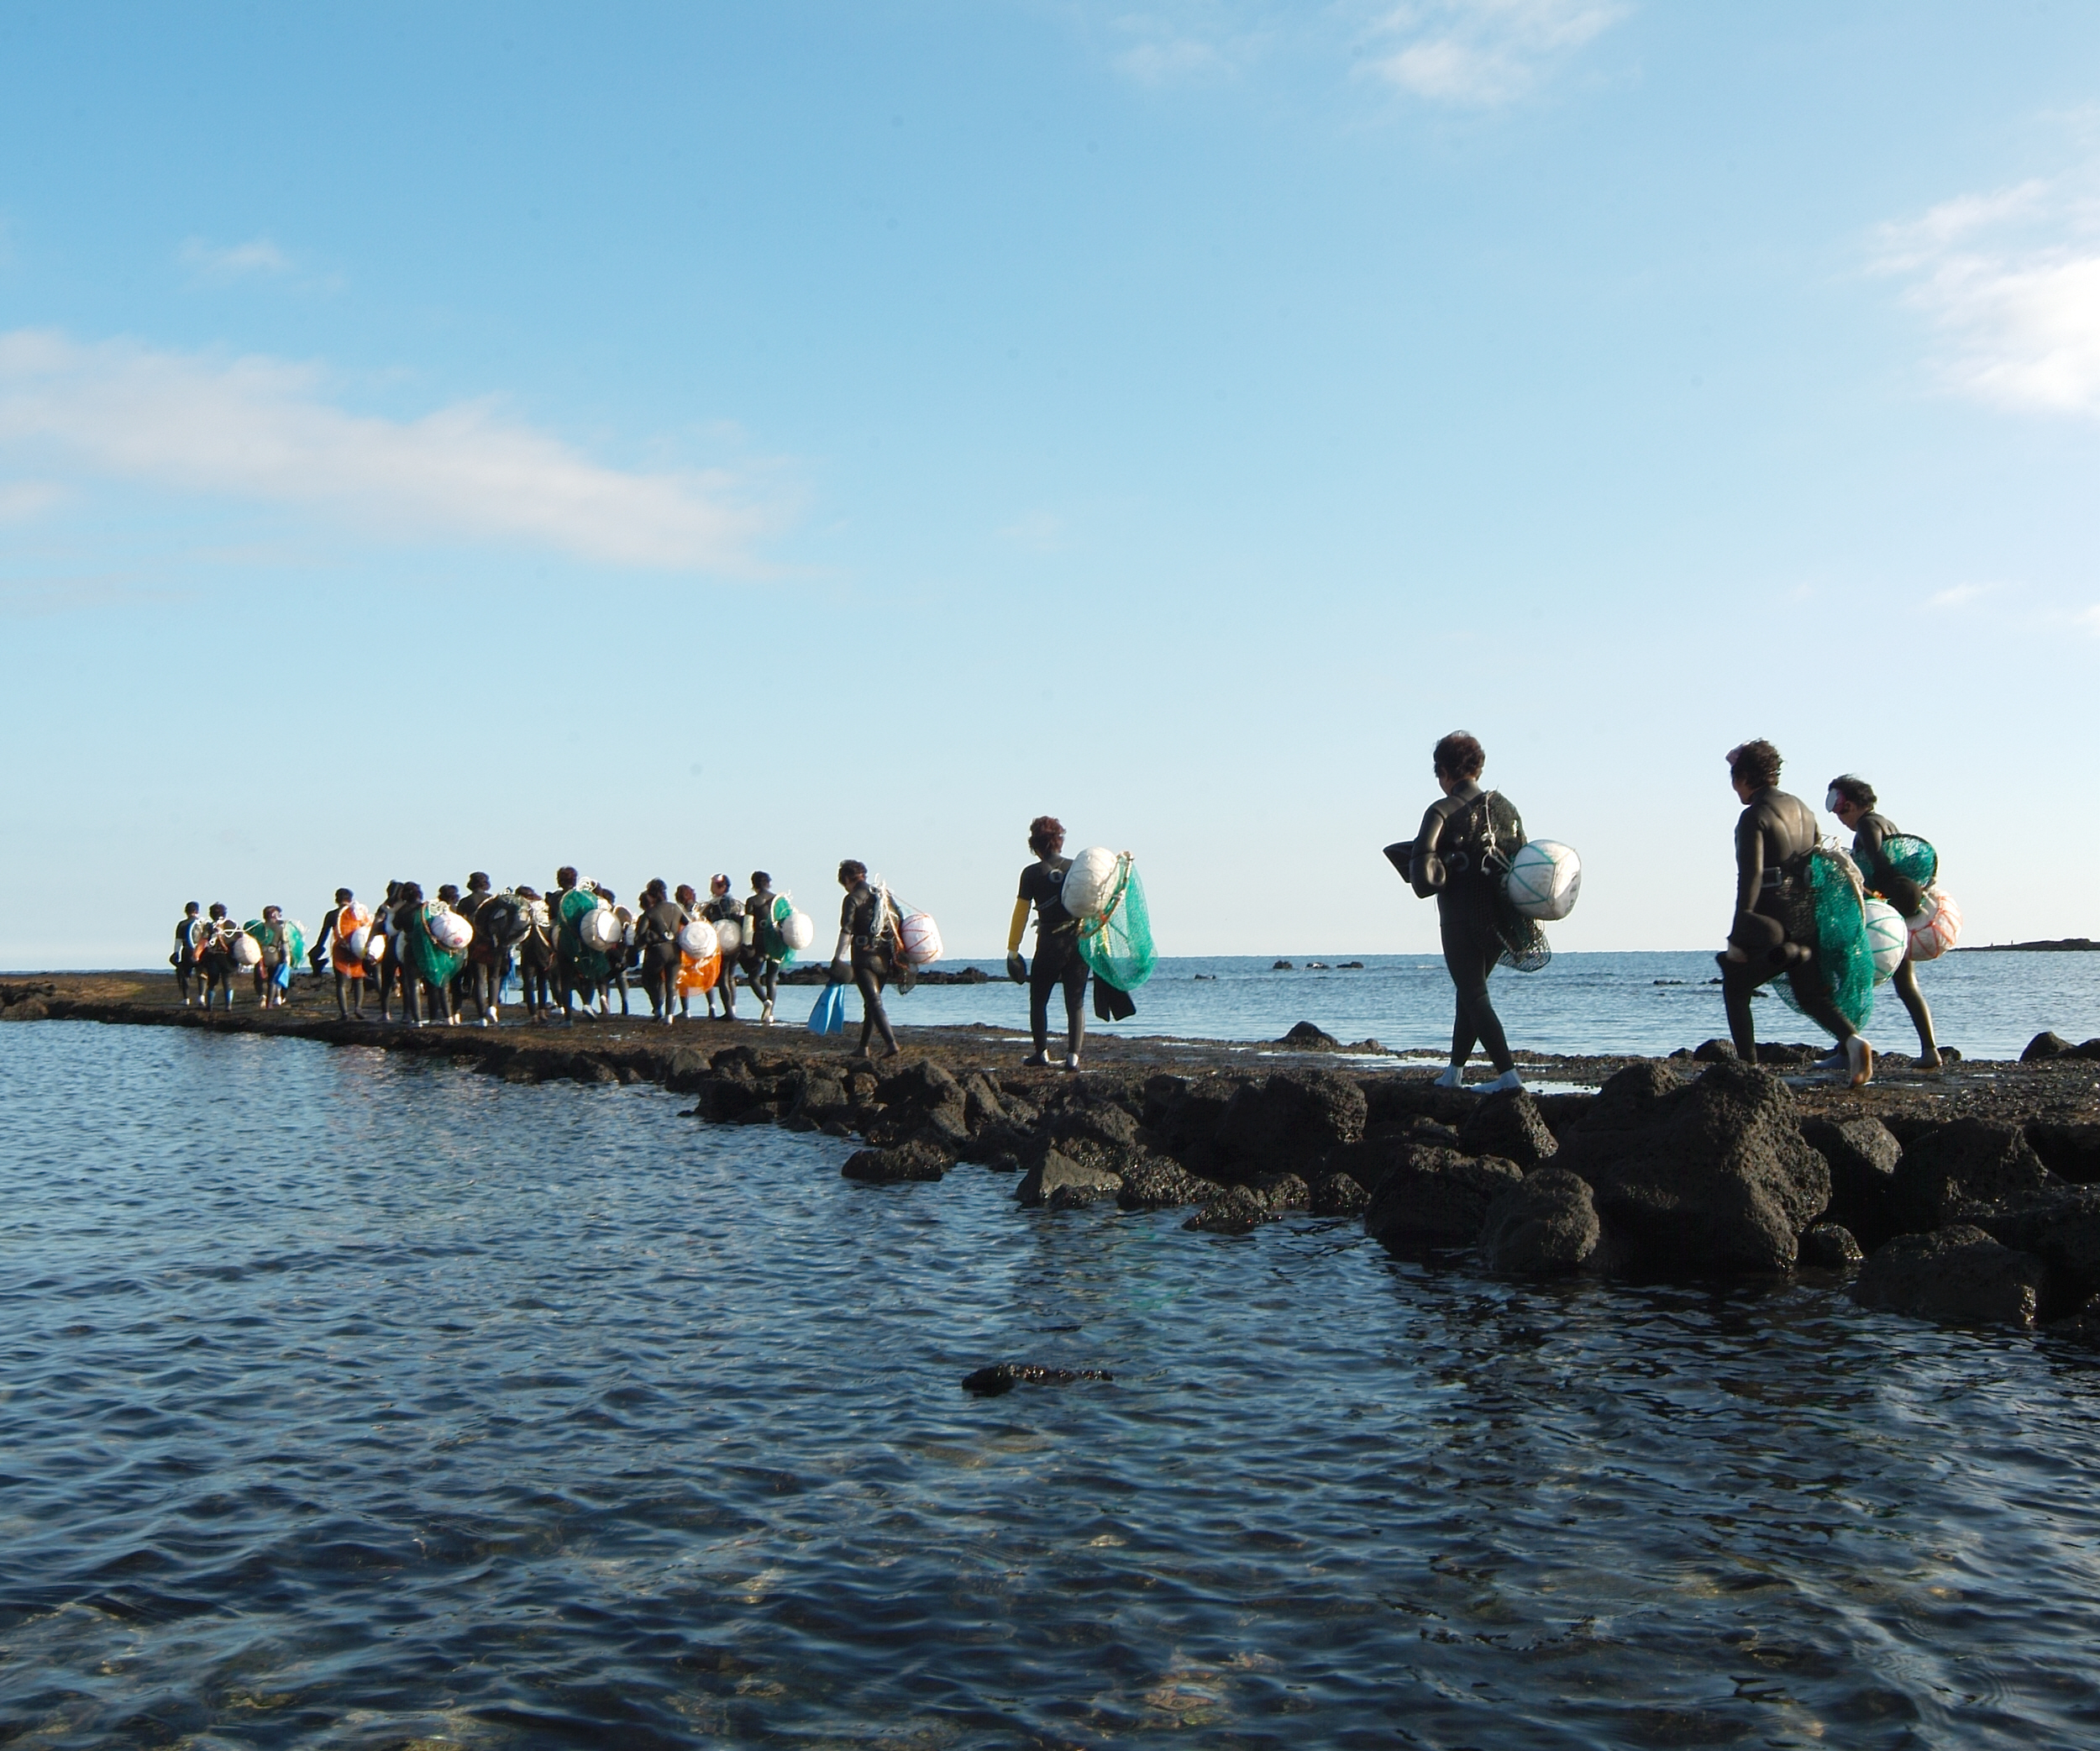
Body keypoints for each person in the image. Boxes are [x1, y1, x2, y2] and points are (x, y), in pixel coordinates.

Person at [1719, 740, 1873, 1086]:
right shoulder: (1803, 809)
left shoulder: (1754, 816)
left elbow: (1751, 878)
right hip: (1808, 913)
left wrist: (1738, 932)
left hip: (1772, 915)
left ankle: (1748, 1071)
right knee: (1810, 994)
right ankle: (1853, 1041)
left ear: (1743, 778)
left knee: (1734, 983)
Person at [1403, 733, 1527, 1092]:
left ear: (1443, 771)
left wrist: (1438, 866)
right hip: (1500, 919)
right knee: (1470, 993)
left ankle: (1509, 1078)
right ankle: (1455, 1072)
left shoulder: (1441, 811)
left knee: (1474, 995)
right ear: (1479, 767)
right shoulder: (1504, 810)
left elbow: (1423, 882)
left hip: (1459, 918)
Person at [1829, 774, 1940, 1069]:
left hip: (1884, 913)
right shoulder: (1886, 822)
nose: (1839, 817)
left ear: (1850, 804)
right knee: (1905, 983)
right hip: (1901, 911)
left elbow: (1880, 865)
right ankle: (1930, 1050)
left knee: (1851, 978)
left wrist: (1859, 885)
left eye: (1838, 808)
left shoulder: (1867, 824)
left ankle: (1844, 1052)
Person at [1006, 815, 1086, 1070]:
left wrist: (1013, 949)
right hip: (1078, 943)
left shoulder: (1031, 873)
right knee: (1075, 1003)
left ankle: (1042, 1054)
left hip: (1049, 944)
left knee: (1038, 1000)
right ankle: (1073, 1057)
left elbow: (1021, 913)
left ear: (1035, 845)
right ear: (1059, 841)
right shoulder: (1076, 868)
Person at [832, 859, 900, 1060]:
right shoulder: (883, 895)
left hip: (864, 957)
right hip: (885, 956)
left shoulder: (853, 898)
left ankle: (891, 1043)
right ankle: (863, 1047)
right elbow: (898, 920)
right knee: (871, 1003)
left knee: (873, 1001)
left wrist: (838, 958)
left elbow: (846, 931)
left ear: (846, 879)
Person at [634, 877, 689, 1025]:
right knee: (671, 984)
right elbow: (690, 926)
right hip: (675, 950)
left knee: (648, 979)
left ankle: (657, 1009)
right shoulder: (677, 908)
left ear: (651, 895)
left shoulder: (650, 913)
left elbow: (639, 936)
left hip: (658, 951)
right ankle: (669, 1015)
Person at [315, 889, 369, 1019]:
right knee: (359, 980)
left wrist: (318, 949)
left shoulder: (332, 915)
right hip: (357, 948)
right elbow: (366, 929)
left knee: (341, 983)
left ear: (336, 900)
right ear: (351, 899)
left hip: (340, 948)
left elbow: (324, 935)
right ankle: (358, 1009)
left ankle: (344, 1013)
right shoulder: (358, 913)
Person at [743, 871, 789, 1024]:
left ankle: (765, 1001)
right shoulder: (779, 900)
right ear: (768, 883)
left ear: (754, 885)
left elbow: (748, 925)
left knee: (753, 977)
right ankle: (771, 1014)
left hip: (760, 941)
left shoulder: (752, 901)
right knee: (771, 979)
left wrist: (746, 944)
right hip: (777, 941)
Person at [701, 875, 745, 1021]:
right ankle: (732, 1008)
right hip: (736, 942)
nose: (711, 889)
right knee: (730, 976)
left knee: (723, 978)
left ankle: (728, 1013)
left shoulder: (715, 905)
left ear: (722, 887)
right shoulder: (736, 904)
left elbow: (706, 923)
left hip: (723, 944)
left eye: (713, 885)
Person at [673, 882, 712, 1018]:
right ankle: (712, 1007)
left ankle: (686, 1010)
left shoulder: (681, 911)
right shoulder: (701, 909)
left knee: (683, 977)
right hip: (703, 946)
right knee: (707, 976)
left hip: (687, 946)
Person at [251, 906, 295, 1009]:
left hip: (260, 956)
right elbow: (284, 945)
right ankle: (269, 1003)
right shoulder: (280, 929)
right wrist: (286, 958)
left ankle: (262, 995)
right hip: (274, 955)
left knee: (258, 978)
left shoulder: (258, 928)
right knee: (273, 980)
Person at [197, 903, 239, 1011]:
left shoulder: (209, 926)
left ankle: (209, 1006)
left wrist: (197, 956)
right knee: (227, 981)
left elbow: (204, 940)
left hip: (213, 956)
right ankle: (228, 1006)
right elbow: (239, 939)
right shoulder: (233, 924)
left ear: (211, 914)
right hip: (228, 957)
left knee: (212, 982)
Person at [171, 902, 204, 1005]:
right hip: (201, 951)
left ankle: (186, 999)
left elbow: (178, 941)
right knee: (202, 974)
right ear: (197, 911)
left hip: (187, 950)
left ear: (186, 911)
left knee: (185, 975)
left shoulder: (182, 924)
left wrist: (176, 953)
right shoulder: (202, 923)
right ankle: (201, 997)